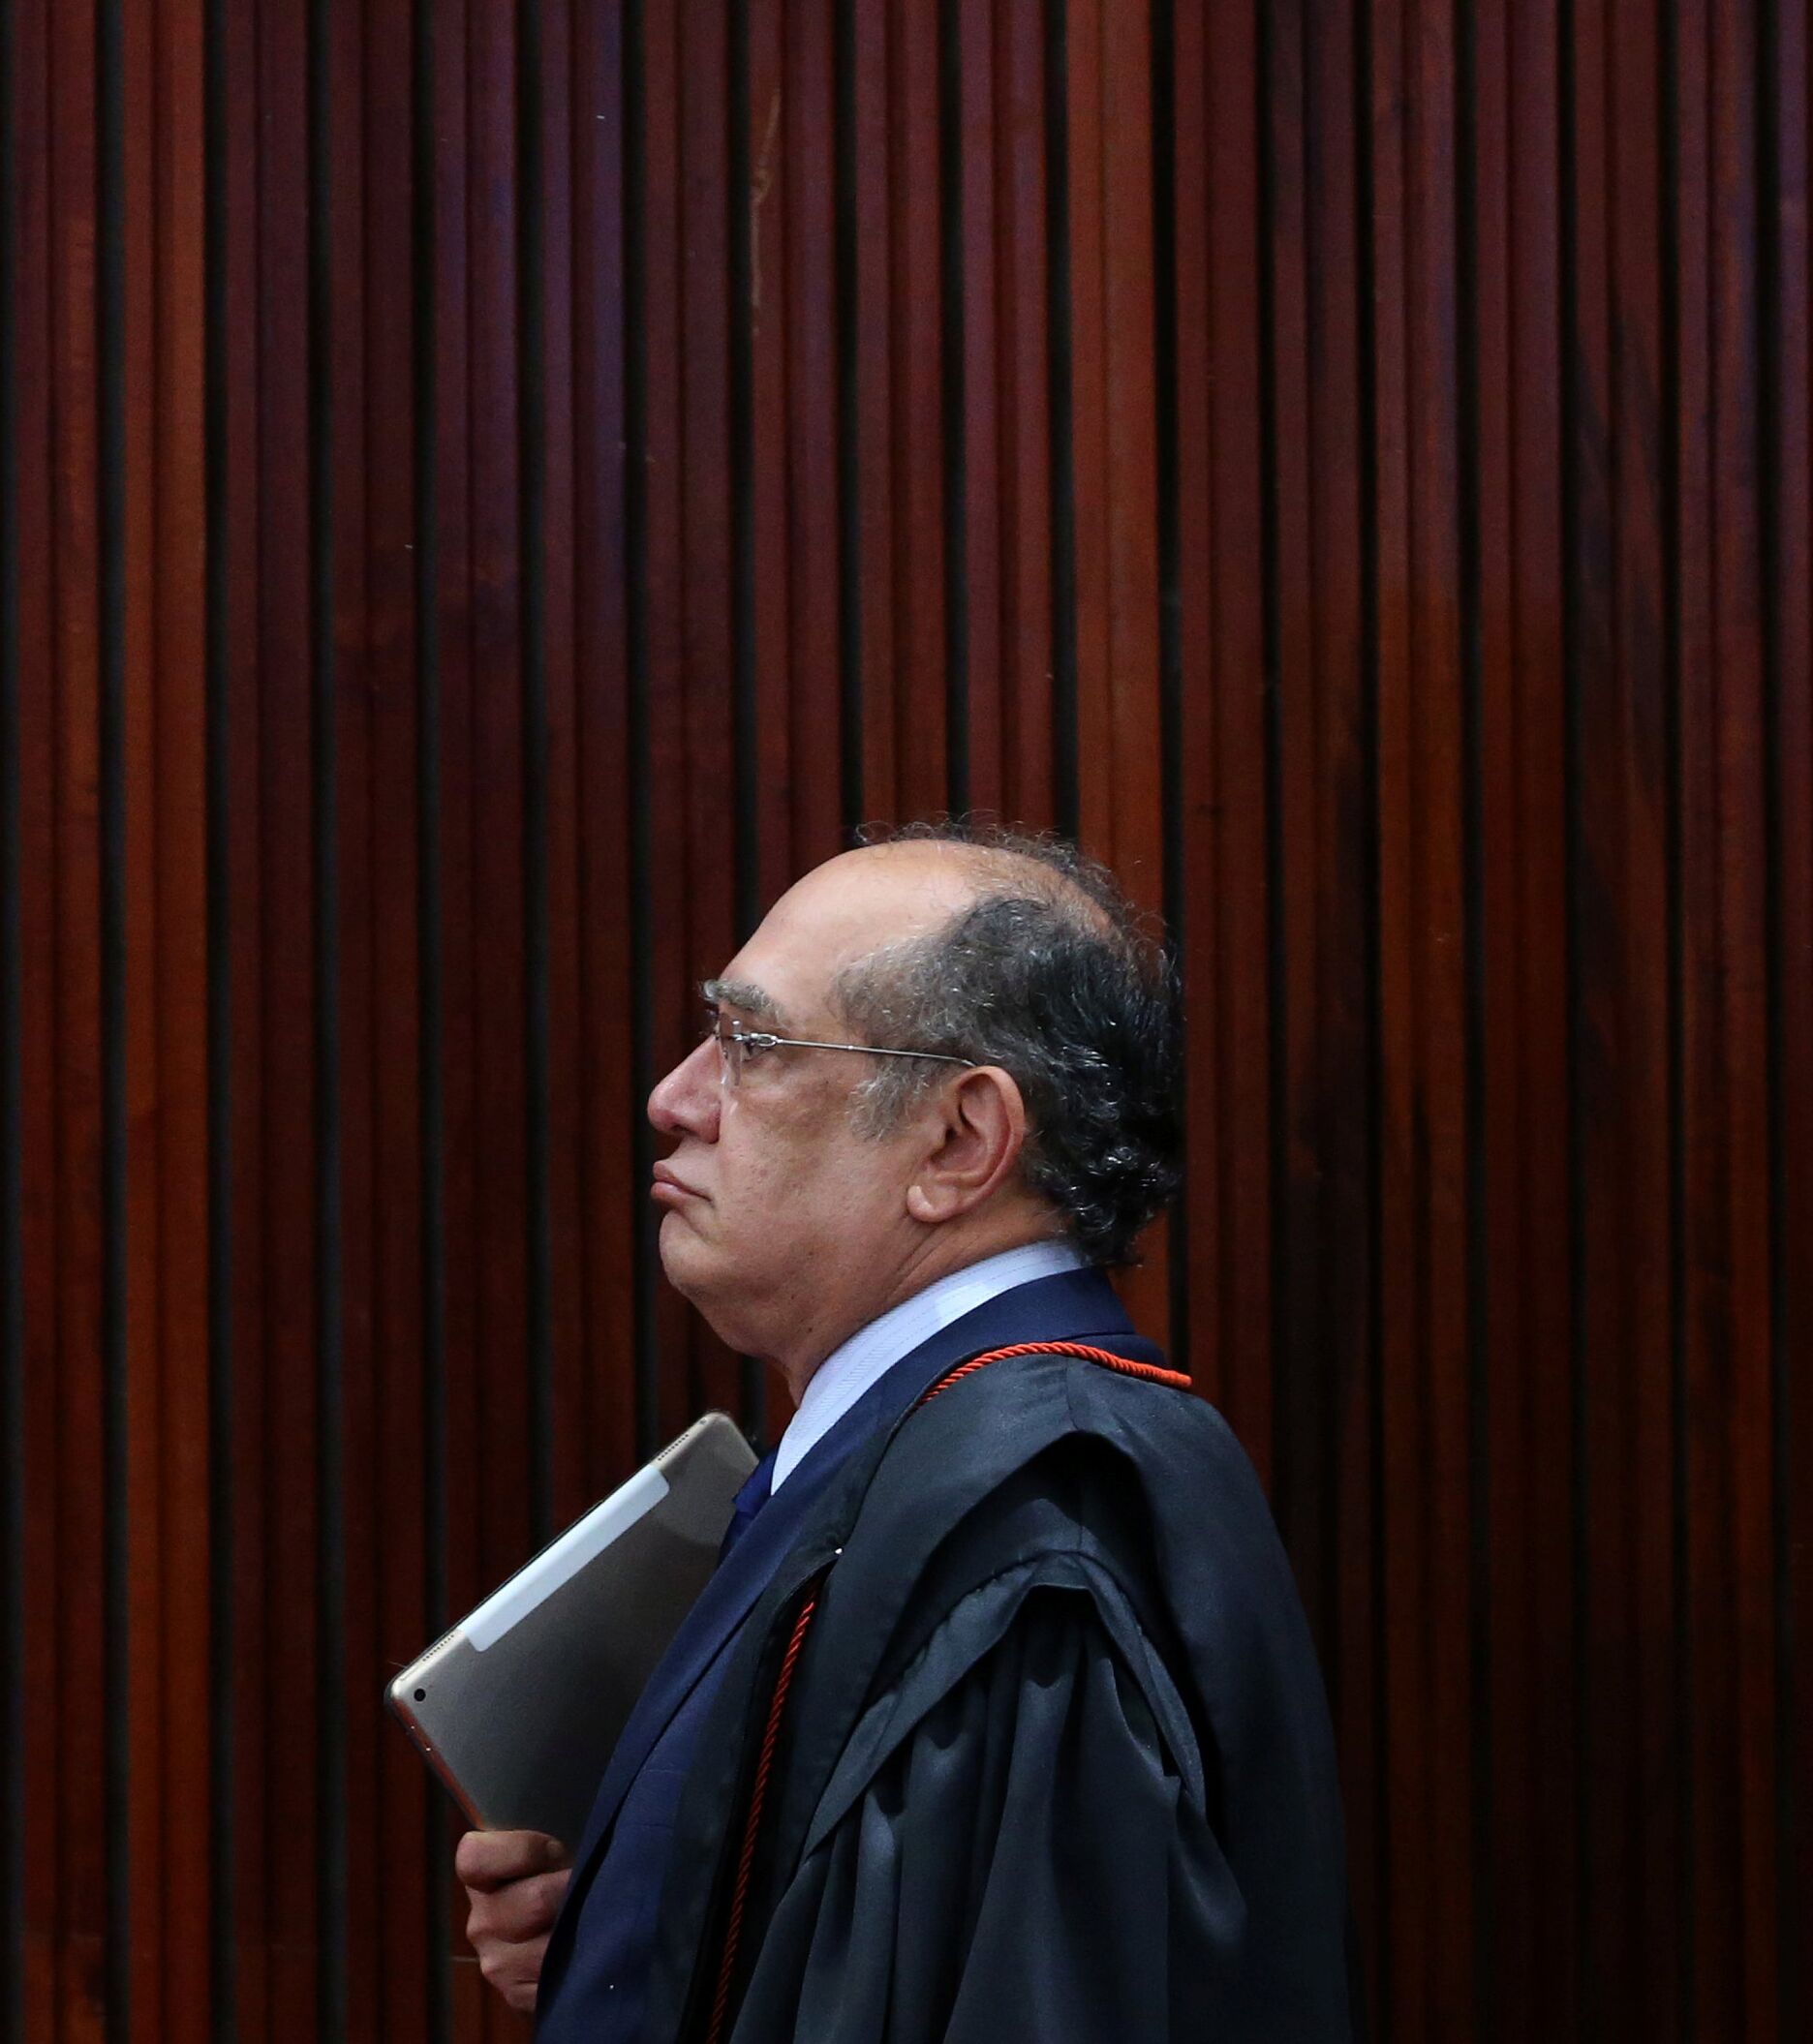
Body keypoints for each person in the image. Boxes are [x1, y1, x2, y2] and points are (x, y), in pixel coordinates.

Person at [456, 824, 1354, 2041]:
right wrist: (634, 1925)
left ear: (959, 1140)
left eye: (752, 1045)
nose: (675, 1097)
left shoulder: (1034, 1524)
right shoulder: (936, 1452)